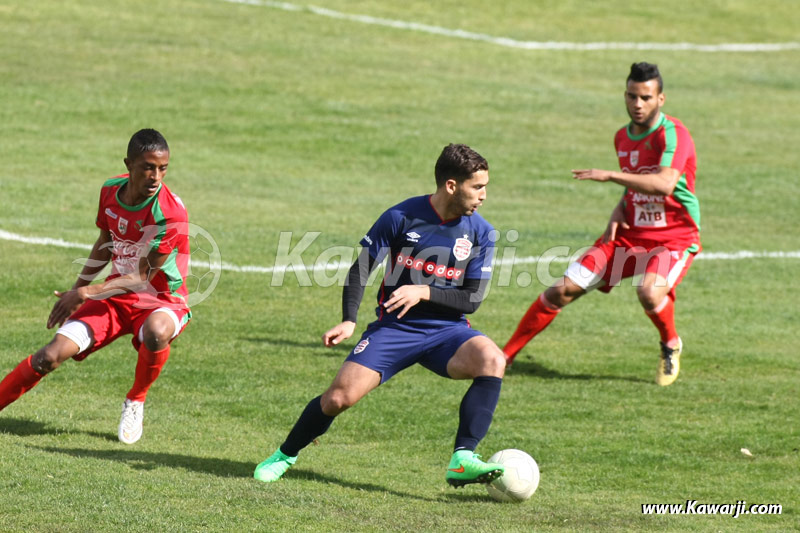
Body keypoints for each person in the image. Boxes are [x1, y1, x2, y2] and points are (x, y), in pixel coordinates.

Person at [254, 144, 507, 487]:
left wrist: (424, 291)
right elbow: (361, 269)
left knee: (492, 359)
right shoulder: (401, 217)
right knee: (337, 398)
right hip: (395, 328)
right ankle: (284, 455)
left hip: (448, 331)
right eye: (477, 187)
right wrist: (349, 319)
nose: (484, 195)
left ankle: (463, 457)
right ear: (451, 185)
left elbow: (472, 299)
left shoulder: (481, 232)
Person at [503, 62, 700, 386]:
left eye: (646, 98)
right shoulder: (622, 137)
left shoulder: (673, 134)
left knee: (649, 292)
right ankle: (504, 357)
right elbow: (636, 183)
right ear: (625, 95)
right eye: (632, 96)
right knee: (560, 291)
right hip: (628, 233)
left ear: (660, 99)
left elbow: (665, 183)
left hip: (674, 237)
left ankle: (670, 343)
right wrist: (619, 209)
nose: (638, 104)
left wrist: (609, 175)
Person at [0, 129, 191, 443]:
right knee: (49, 356)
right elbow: (104, 244)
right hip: (115, 297)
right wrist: (77, 290)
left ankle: (136, 399)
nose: (155, 176)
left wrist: (86, 292)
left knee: (157, 332)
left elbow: (143, 277)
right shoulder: (109, 191)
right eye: (147, 167)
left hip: (162, 301)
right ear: (128, 164)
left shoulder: (169, 212)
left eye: (162, 168)